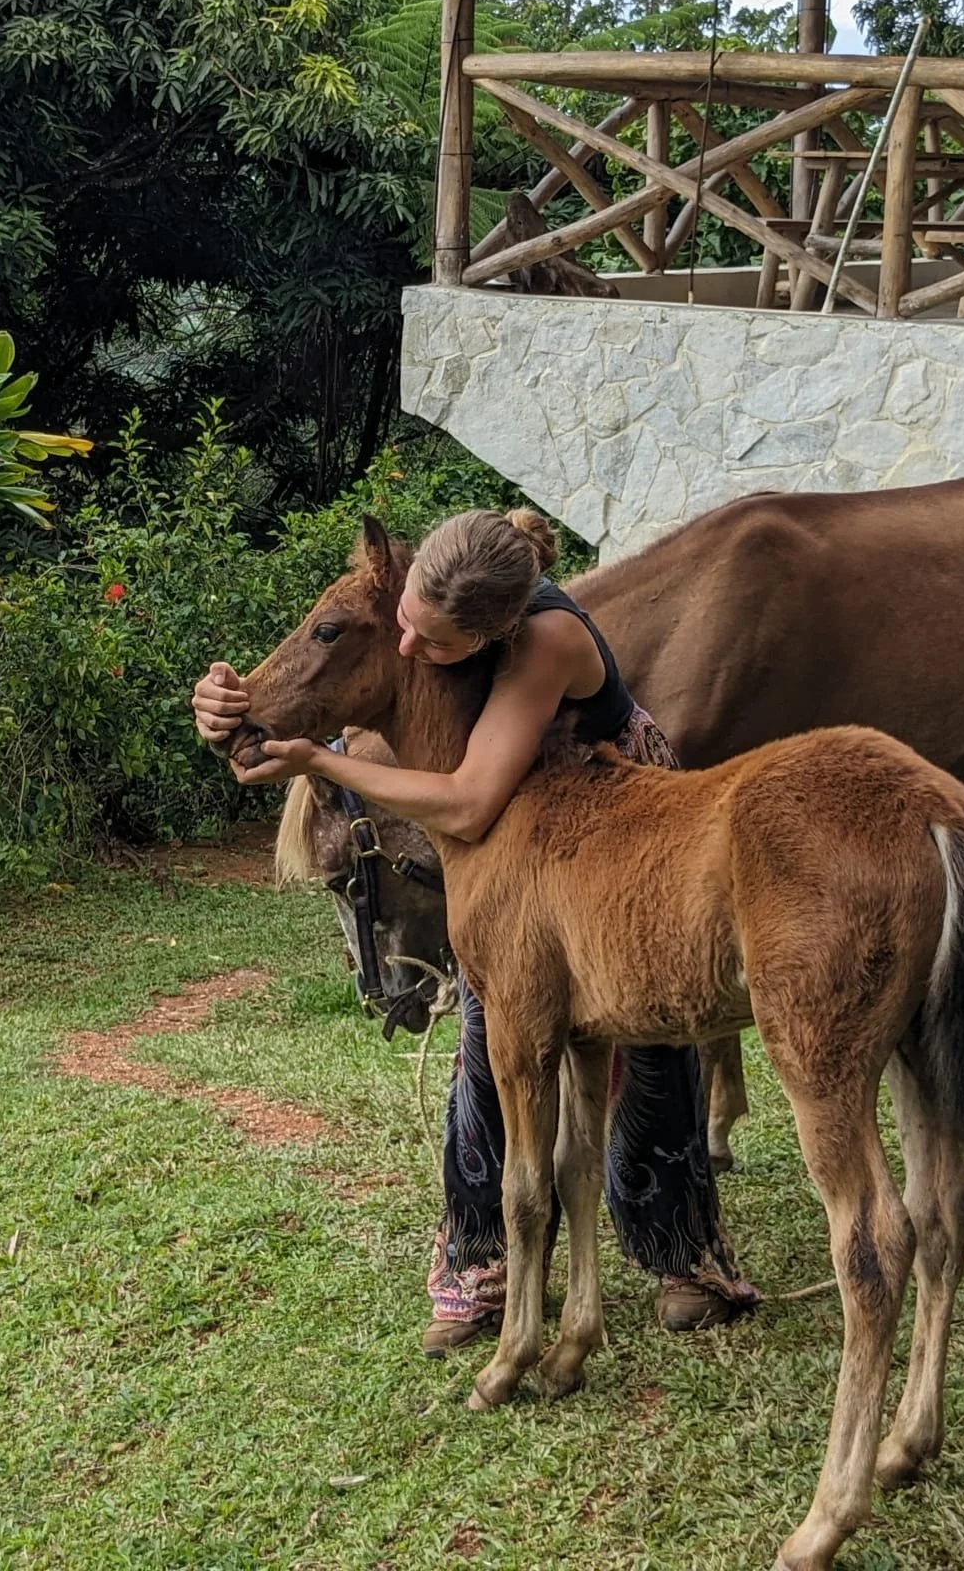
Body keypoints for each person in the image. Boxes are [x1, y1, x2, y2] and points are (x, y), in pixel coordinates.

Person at [191, 506, 758, 1353]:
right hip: (514, 846)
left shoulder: (545, 636)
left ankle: (682, 1250)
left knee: (655, 1030)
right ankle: (480, 1255)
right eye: (407, 625)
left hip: (615, 826)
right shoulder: (413, 604)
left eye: (437, 644)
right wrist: (234, 710)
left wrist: (311, 758)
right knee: (495, 1033)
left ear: (493, 636)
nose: (412, 648)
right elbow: (336, 667)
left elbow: (469, 797)